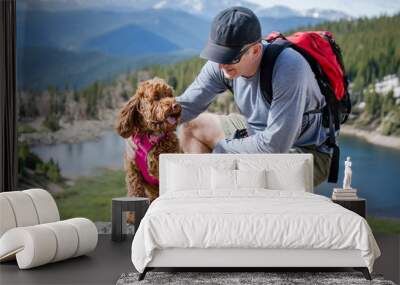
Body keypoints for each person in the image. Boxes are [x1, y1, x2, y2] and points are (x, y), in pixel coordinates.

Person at [175, 6, 332, 187]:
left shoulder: (289, 67)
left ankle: (227, 205)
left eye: (229, 57)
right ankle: (207, 202)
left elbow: (274, 147)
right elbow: (185, 107)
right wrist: (146, 123)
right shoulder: (222, 65)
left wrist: (222, 149)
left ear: (256, 50)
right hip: (255, 134)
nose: (221, 64)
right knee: (191, 128)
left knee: (247, 179)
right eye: (217, 55)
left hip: (304, 151)